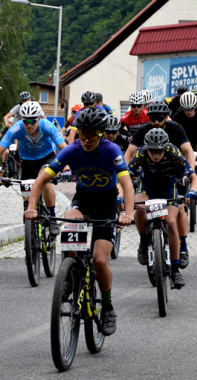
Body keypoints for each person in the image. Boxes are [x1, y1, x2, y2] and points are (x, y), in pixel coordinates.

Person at [24, 108, 134, 335]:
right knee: (69, 231)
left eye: (92, 135)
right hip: (83, 199)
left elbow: (127, 185)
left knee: (100, 260)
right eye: (82, 134)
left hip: (106, 203)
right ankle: (69, 276)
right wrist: (32, 208)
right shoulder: (73, 150)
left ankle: (108, 307)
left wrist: (128, 213)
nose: (86, 139)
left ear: (101, 134)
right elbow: (41, 180)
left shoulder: (111, 149)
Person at [124, 100, 197, 268]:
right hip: (148, 173)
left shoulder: (175, 129)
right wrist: (126, 174)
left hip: (174, 170)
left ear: (166, 117)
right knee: (140, 208)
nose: (156, 122)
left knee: (179, 209)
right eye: (152, 119)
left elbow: (187, 151)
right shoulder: (144, 133)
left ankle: (183, 247)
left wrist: (189, 174)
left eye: (160, 118)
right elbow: (129, 153)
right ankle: (144, 242)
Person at [129, 128, 197, 289]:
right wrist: (121, 195)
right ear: (146, 148)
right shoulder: (140, 153)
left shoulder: (173, 151)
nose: (156, 155)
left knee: (171, 223)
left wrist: (193, 190)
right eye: (152, 151)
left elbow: (193, 177)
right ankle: (143, 241)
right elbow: (126, 175)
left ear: (165, 147)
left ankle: (175, 270)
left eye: (159, 151)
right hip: (147, 187)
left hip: (168, 188)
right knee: (139, 209)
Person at [0, 101, 67, 236]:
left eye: (32, 121)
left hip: (47, 157)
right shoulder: (16, 128)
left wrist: (67, 168)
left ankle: (53, 218)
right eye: (26, 121)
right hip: (27, 160)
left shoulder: (47, 126)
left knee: (44, 180)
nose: (29, 125)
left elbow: (65, 149)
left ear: (38, 119)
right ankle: (29, 220)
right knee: (26, 193)